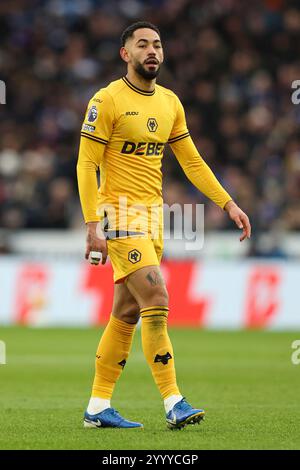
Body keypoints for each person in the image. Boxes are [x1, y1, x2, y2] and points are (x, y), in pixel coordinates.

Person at [77, 21, 251, 430]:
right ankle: (174, 401)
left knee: (126, 314)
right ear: (126, 54)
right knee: (157, 295)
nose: (152, 50)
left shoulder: (170, 102)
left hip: (154, 219)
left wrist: (227, 203)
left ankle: (98, 407)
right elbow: (86, 163)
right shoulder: (107, 101)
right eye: (142, 44)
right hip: (117, 216)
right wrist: (91, 225)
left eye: (157, 44)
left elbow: (191, 161)